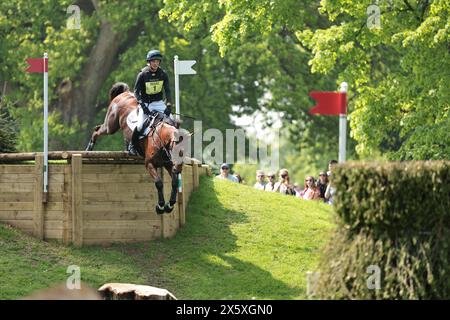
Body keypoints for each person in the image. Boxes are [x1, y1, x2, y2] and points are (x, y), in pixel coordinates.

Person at [129, 49, 174, 155]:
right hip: (146, 103)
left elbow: (167, 90)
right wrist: (143, 106)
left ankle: (173, 147)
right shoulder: (143, 74)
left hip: (159, 103)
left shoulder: (163, 74)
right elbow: (136, 92)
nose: (156, 63)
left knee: (172, 122)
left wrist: (169, 106)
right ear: (149, 62)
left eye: (158, 61)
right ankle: (132, 145)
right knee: (140, 125)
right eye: (153, 61)